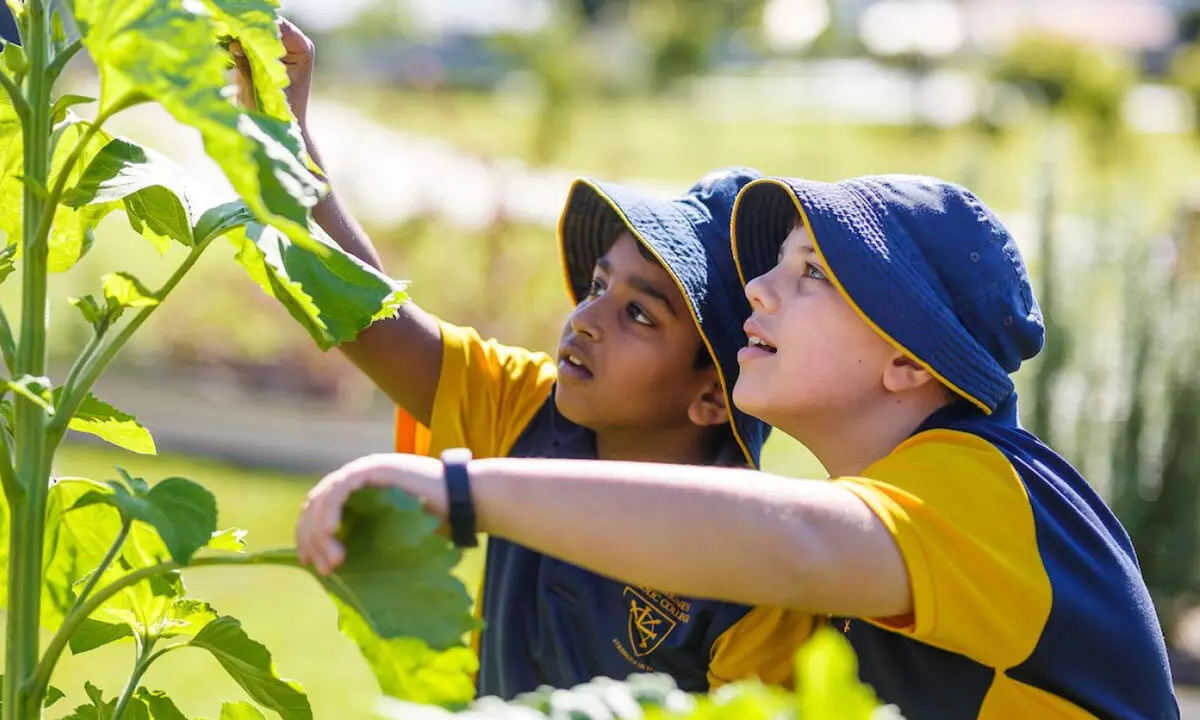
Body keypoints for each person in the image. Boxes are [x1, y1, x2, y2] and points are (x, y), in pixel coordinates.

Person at [297, 174, 1180, 719]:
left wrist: (465, 492)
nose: (758, 289)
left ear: (908, 361)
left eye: (811, 276)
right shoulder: (889, 514)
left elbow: (800, 540)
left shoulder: (991, 486)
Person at [231, 19, 813, 701]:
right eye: (598, 287)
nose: (585, 320)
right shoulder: (526, 412)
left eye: (638, 314)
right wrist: (279, 129)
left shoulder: (764, 572)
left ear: (713, 397)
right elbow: (360, 305)